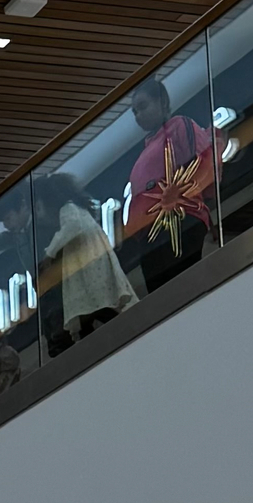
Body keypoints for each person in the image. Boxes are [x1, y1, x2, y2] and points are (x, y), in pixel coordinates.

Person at [123, 74, 215, 290]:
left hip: (181, 219)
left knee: (185, 286)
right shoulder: (146, 149)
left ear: (162, 102)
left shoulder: (180, 125)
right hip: (151, 234)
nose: (138, 115)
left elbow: (204, 162)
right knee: (163, 295)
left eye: (142, 107)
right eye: (134, 112)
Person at [32, 171, 137, 351]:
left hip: (90, 270)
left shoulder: (68, 210)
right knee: (96, 307)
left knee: (96, 305)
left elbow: (73, 227)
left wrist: (49, 253)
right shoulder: (77, 209)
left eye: (39, 207)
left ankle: (120, 333)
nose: (39, 215)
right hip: (91, 266)